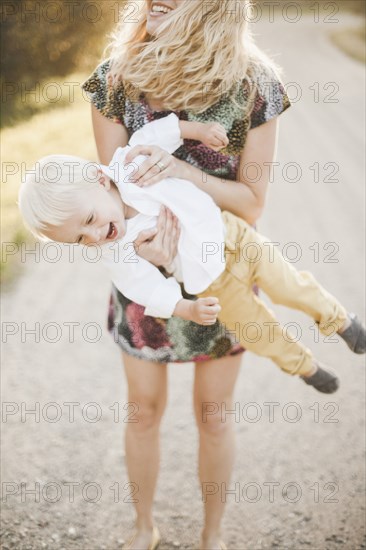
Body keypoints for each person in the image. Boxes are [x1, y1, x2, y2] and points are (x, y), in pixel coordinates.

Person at [79, 1, 293, 548]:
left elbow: (250, 205)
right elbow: (112, 195)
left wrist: (180, 171)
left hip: (220, 278)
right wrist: (146, 252)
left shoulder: (255, 85)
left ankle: (213, 535)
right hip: (141, 276)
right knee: (143, 410)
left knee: (214, 416)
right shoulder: (116, 80)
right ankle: (144, 528)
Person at [19, 112, 366, 396]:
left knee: (292, 285)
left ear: (98, 179)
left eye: (90, 220)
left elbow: (160, 131)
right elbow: (144, 289)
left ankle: (341, 321)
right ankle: (306, 367)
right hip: (210, 283)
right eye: (80, 239)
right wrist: (187, 307)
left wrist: (199, 130)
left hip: (234, 237)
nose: (95, 235)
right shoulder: (116, 253)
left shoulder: (130, 163)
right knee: (257, 329)